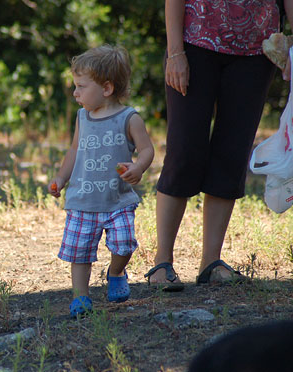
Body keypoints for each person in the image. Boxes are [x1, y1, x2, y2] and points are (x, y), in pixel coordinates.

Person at [145, 0, 292, 290]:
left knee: (232, 153)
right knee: (184, 151)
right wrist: (175, 52)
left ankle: (211, 262)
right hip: (194, 43)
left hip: (257, 51)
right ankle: (162, 262)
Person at [49, 44, 154, 317]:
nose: (75, 92)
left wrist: (139, 166)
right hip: (83, 199)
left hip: (117, 199)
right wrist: (61, 178)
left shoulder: (129, 118)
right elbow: (74, 150)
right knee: (79, 253)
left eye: (81, 86)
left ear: (106, 89)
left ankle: (116, 271)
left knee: (124, 243)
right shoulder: (82, 117)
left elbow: (147, 150)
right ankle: (81, 297)